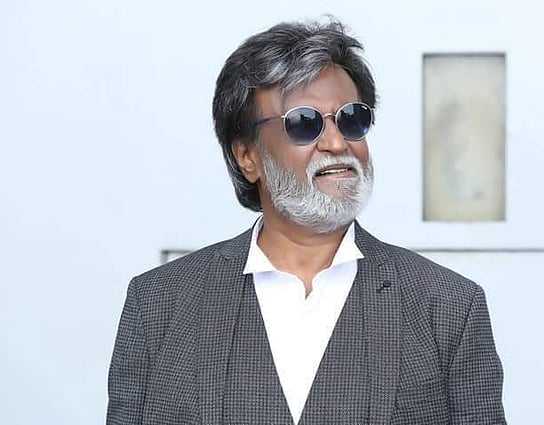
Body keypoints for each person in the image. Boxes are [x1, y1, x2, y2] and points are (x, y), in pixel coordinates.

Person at [107, 18, 506, 425]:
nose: (336, 142)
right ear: (247, 156)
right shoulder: (158, 304)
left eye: (351, 119)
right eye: (304, 122)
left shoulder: (448, 306)